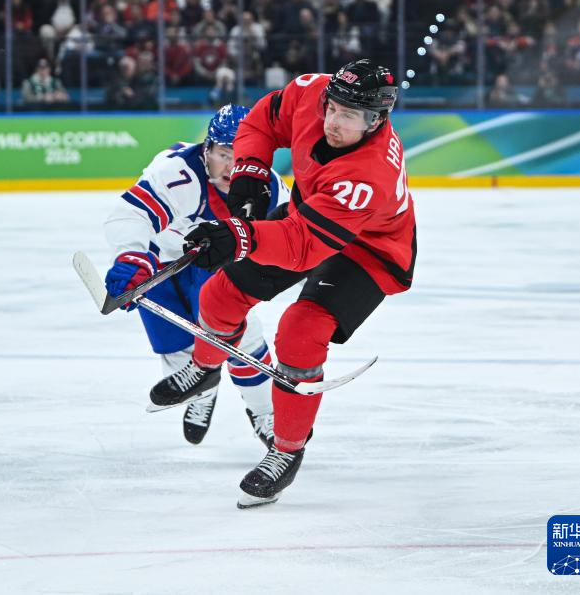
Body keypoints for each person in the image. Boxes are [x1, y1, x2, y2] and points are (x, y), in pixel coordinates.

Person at [147, 60, 416, 508]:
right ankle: (205, 366)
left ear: (376, 120)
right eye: (332, 108)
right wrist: (251, 170)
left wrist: (239, 237)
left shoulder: (368, 175)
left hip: (371, 251)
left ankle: (287, 449)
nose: (332, 121)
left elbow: (302, 247)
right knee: (220, 294)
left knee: (300, 332)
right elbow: (262, 120)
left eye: (349, 116)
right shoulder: (314, 92)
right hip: (311, 215)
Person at [103, 105, 289, 447]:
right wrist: (131, 255)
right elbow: (130, 214)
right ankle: (203, 392)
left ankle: (265, 412)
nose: (232, 167)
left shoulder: (272, 192)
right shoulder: (178, 173)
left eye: (242, 156)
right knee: (175, 350)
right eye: (224, 154)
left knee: (242, 338)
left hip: (215, 263)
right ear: (207, 150)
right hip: (161, 261)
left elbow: (290, 247)